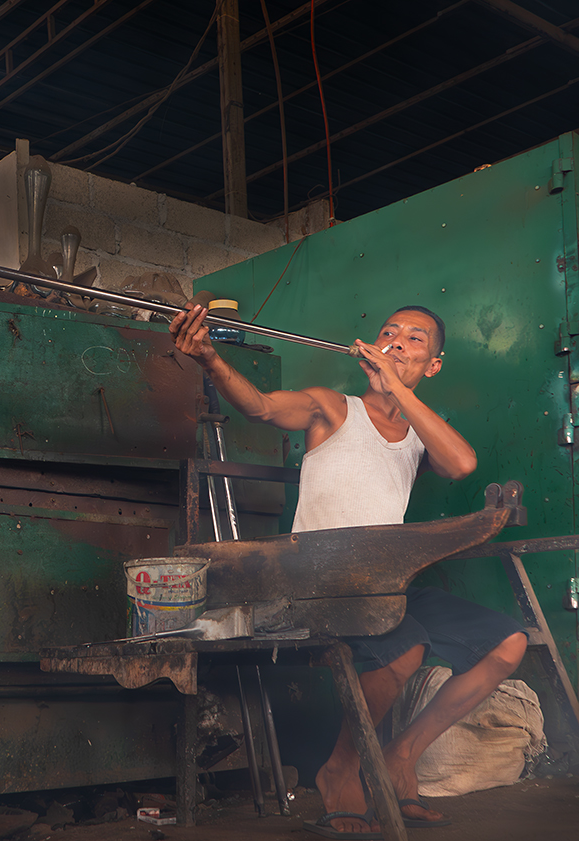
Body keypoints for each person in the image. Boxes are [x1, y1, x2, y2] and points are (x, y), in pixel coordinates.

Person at [169, 303, 528, 837]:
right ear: (371, 348)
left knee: (509, 643)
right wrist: (210, 360)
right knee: (405, 645)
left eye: (414, 340)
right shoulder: (332, 408)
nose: (397, 343)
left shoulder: (417, 435)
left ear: (433, 365)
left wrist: (398, 391)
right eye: (389, 334)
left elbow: (462, 464)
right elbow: (263, 407)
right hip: (317, 586)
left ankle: (399, 756)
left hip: (387, 585)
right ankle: (339, 768)